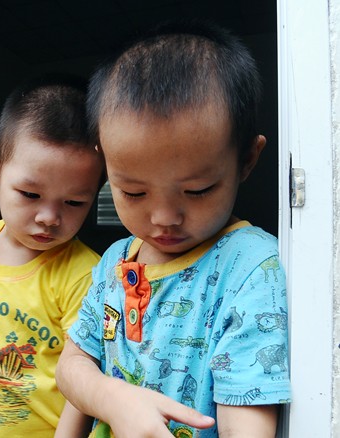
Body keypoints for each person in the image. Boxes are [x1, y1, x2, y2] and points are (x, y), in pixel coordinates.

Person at [55, 22, 291, 438]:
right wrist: (111, 397)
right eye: (133, 191)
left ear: (247, 160)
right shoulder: (116, 260)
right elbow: (72, 366)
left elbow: (247, 417)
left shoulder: (250, 267)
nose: (163, 217)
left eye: (197, 190)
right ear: (104, 161)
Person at [0, 75, 105, 437]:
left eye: (74, 202)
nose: (49, 217)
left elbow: (85, 378)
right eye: (29, 194)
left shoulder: (85, 273)